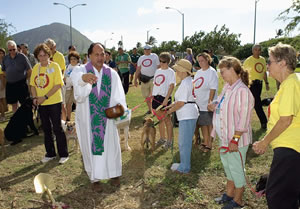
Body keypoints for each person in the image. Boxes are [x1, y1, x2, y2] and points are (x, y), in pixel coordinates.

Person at [71, 43, 127, 192]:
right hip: (89, 119)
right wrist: (84, 78)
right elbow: (75, 81)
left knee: (111, 144)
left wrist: (119, 109)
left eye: (102, 54)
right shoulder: (81, 70)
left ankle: (114, 173)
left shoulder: (111, 73)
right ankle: (95, 178)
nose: (100, 57)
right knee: (91, 147)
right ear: (89, 55)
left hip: (107, 119)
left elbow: (119, 95)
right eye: (96, 54)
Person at [253, 43, 300, 209]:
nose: (267, 66)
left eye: (270, 62)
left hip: (290, 148)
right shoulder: (290, 83)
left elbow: (286, 119)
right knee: (287, 195)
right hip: (291, 148)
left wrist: (264, 142)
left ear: (282, 63)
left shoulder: (290, 84)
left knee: (277, 196)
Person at [208, 56, 254, 209]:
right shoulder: (228, 87)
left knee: (236, 168)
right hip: (224, 137)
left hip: (236, 140)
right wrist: (214, 105)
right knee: (227, 166)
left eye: (223, 71)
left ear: (232, 70)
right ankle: (229, 193)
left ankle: (238, 200)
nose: (221, 74)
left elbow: (244, 120)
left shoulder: (242, 91)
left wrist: (235, 139)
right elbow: (221, 102)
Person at [30, 43, 69, 164]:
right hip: (41, 103)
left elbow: (58, 84)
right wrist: (36, 97)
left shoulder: (55, 66)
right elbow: (32, 85)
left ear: (49, 54)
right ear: (37, 57)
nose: (43, 58)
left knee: (57, 128)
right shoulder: (36, 68)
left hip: (54, 101)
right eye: (40, 56)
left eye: (45, 55)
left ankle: (63, 154)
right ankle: (50, 153)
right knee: (46, 129)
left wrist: (45, 97)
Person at [166, 59, 199, 173]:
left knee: (184, 142)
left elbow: (181, 102)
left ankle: (184, 167)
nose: (176, 72)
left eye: (177, 70)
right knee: (184, 142)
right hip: (187, 114)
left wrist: (169, 112)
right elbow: (181, 100)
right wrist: (170, 106)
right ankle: (184, 164)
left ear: (183, 71)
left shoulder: (185, 83)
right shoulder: (187, 81)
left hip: (187, 115)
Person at [193, 52, 218, 152]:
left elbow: (213, 88)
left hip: (208, 103)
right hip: (199, 103)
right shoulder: (198, 72)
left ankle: (210, 144)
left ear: (208, 60)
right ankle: (205, 141)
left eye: (202, 60)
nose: (201, 63)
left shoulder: (212, 72)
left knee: (209, 124)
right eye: (199, 61)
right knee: (203, 123)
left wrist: (210, 101)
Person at [152, 52, 176, 150]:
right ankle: (162, 138)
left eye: (164, 61)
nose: (161, 63)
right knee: (159, 119)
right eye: (160, 61)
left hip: (164, 98)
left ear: (168, 62)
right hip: (156, 98)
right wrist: (152, 95)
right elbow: (155, 84)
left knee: (167, 120)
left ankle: (169, 141)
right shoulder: (157, 71)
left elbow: (172, 86)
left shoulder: (171, 72)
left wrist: (166, 99)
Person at [243, 44, 269, 129]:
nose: (257, 51)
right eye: (255, 50)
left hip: (259, 84)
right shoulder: (249, 60)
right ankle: (264, 122)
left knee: (252, 102)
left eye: (259, 50)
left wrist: (267, 83)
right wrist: (245, 84)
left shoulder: (262, 60)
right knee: (257, 102)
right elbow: (244, 73)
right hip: (252, 84)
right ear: (252, 51)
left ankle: (245, 122)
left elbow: (264, 72)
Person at [2, 40, 32, 113]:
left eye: (14, 49)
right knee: (14, 104)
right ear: (8, 49)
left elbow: (30, 70)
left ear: (16, 47)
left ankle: (27, 121)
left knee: (25, 103)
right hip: (11, 85)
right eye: (10, 50)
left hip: (21, 84)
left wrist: (25, 79)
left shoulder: (22, 57)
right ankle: (17, 121)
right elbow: (4, 71)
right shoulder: (5, 58)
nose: (12, 51)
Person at [44, 38, 67, 120]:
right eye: (47, 48)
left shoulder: (59, 56)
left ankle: (64, 123)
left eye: (50, 48)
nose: (49, 50)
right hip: (48, 85)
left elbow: (61, 71)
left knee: (62, 105)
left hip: (58, 84)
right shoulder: (45, 57)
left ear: (54, 47)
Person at [134, 45, 160, 115]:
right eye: (145, 49)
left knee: (154, 96)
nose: (147, 50)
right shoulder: (141, 58)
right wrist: (135, 79)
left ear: (151, 50)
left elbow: (158, 67)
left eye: (148, 49)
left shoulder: (155, 56)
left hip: (153, 79)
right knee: (146, 96)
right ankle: (150, 110)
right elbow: (138, 69)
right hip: (144, 80)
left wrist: (159, 77)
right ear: (143, 50)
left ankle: (156, 110)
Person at [64, 51, 80, 121]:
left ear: (77, 60)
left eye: (74, 59)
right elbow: (64, 76)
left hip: (77, 88)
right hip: (68, 88)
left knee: (77, 104)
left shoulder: (80, 67)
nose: (73, 60)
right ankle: (68, 118)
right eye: (71, 59)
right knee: (68, 103)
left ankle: (79, 119)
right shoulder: (67, 67)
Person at [0, 48, 6, 121]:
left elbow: (2, 76)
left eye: (2, 53)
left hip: (1, 83)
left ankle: (3, 116)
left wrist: (3, 85)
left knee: (1, 101)